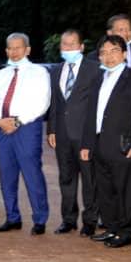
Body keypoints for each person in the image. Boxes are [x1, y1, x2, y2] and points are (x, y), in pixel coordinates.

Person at [80, 36, 131, 249]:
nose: (108, 56)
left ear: (124, 53)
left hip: (123, 143)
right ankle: (111, 227)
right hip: (99, 142)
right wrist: (86, 144)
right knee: (105, 189)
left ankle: (126, 231)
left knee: (126, 189)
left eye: (114, 50)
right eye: (103, 52)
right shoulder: (99, 78)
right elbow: (91, 114)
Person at [0, 32, 51, 235]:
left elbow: (42, 102)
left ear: (27, 49)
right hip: (3, 128)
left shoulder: (39, 72)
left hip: (27, 127)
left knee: (32, 174)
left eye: (18, 47)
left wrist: (17, 120)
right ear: (6, 50)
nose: (14, 52)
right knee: (7, 176)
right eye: (10, 48)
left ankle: (40, 219)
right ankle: (12, 217)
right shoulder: (2, 74)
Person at [47, 29, 100, 236]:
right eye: (64, 44)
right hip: (62, 134)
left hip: (85, 134)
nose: (67, 48)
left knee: (89, 179)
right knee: (66, 178)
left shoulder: (95, 69)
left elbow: (96, 104)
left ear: (81, 47)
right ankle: (68, 219)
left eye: (72, 44)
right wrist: (51, 129)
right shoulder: (55, 70)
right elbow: (55, 103)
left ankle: (90, 221)